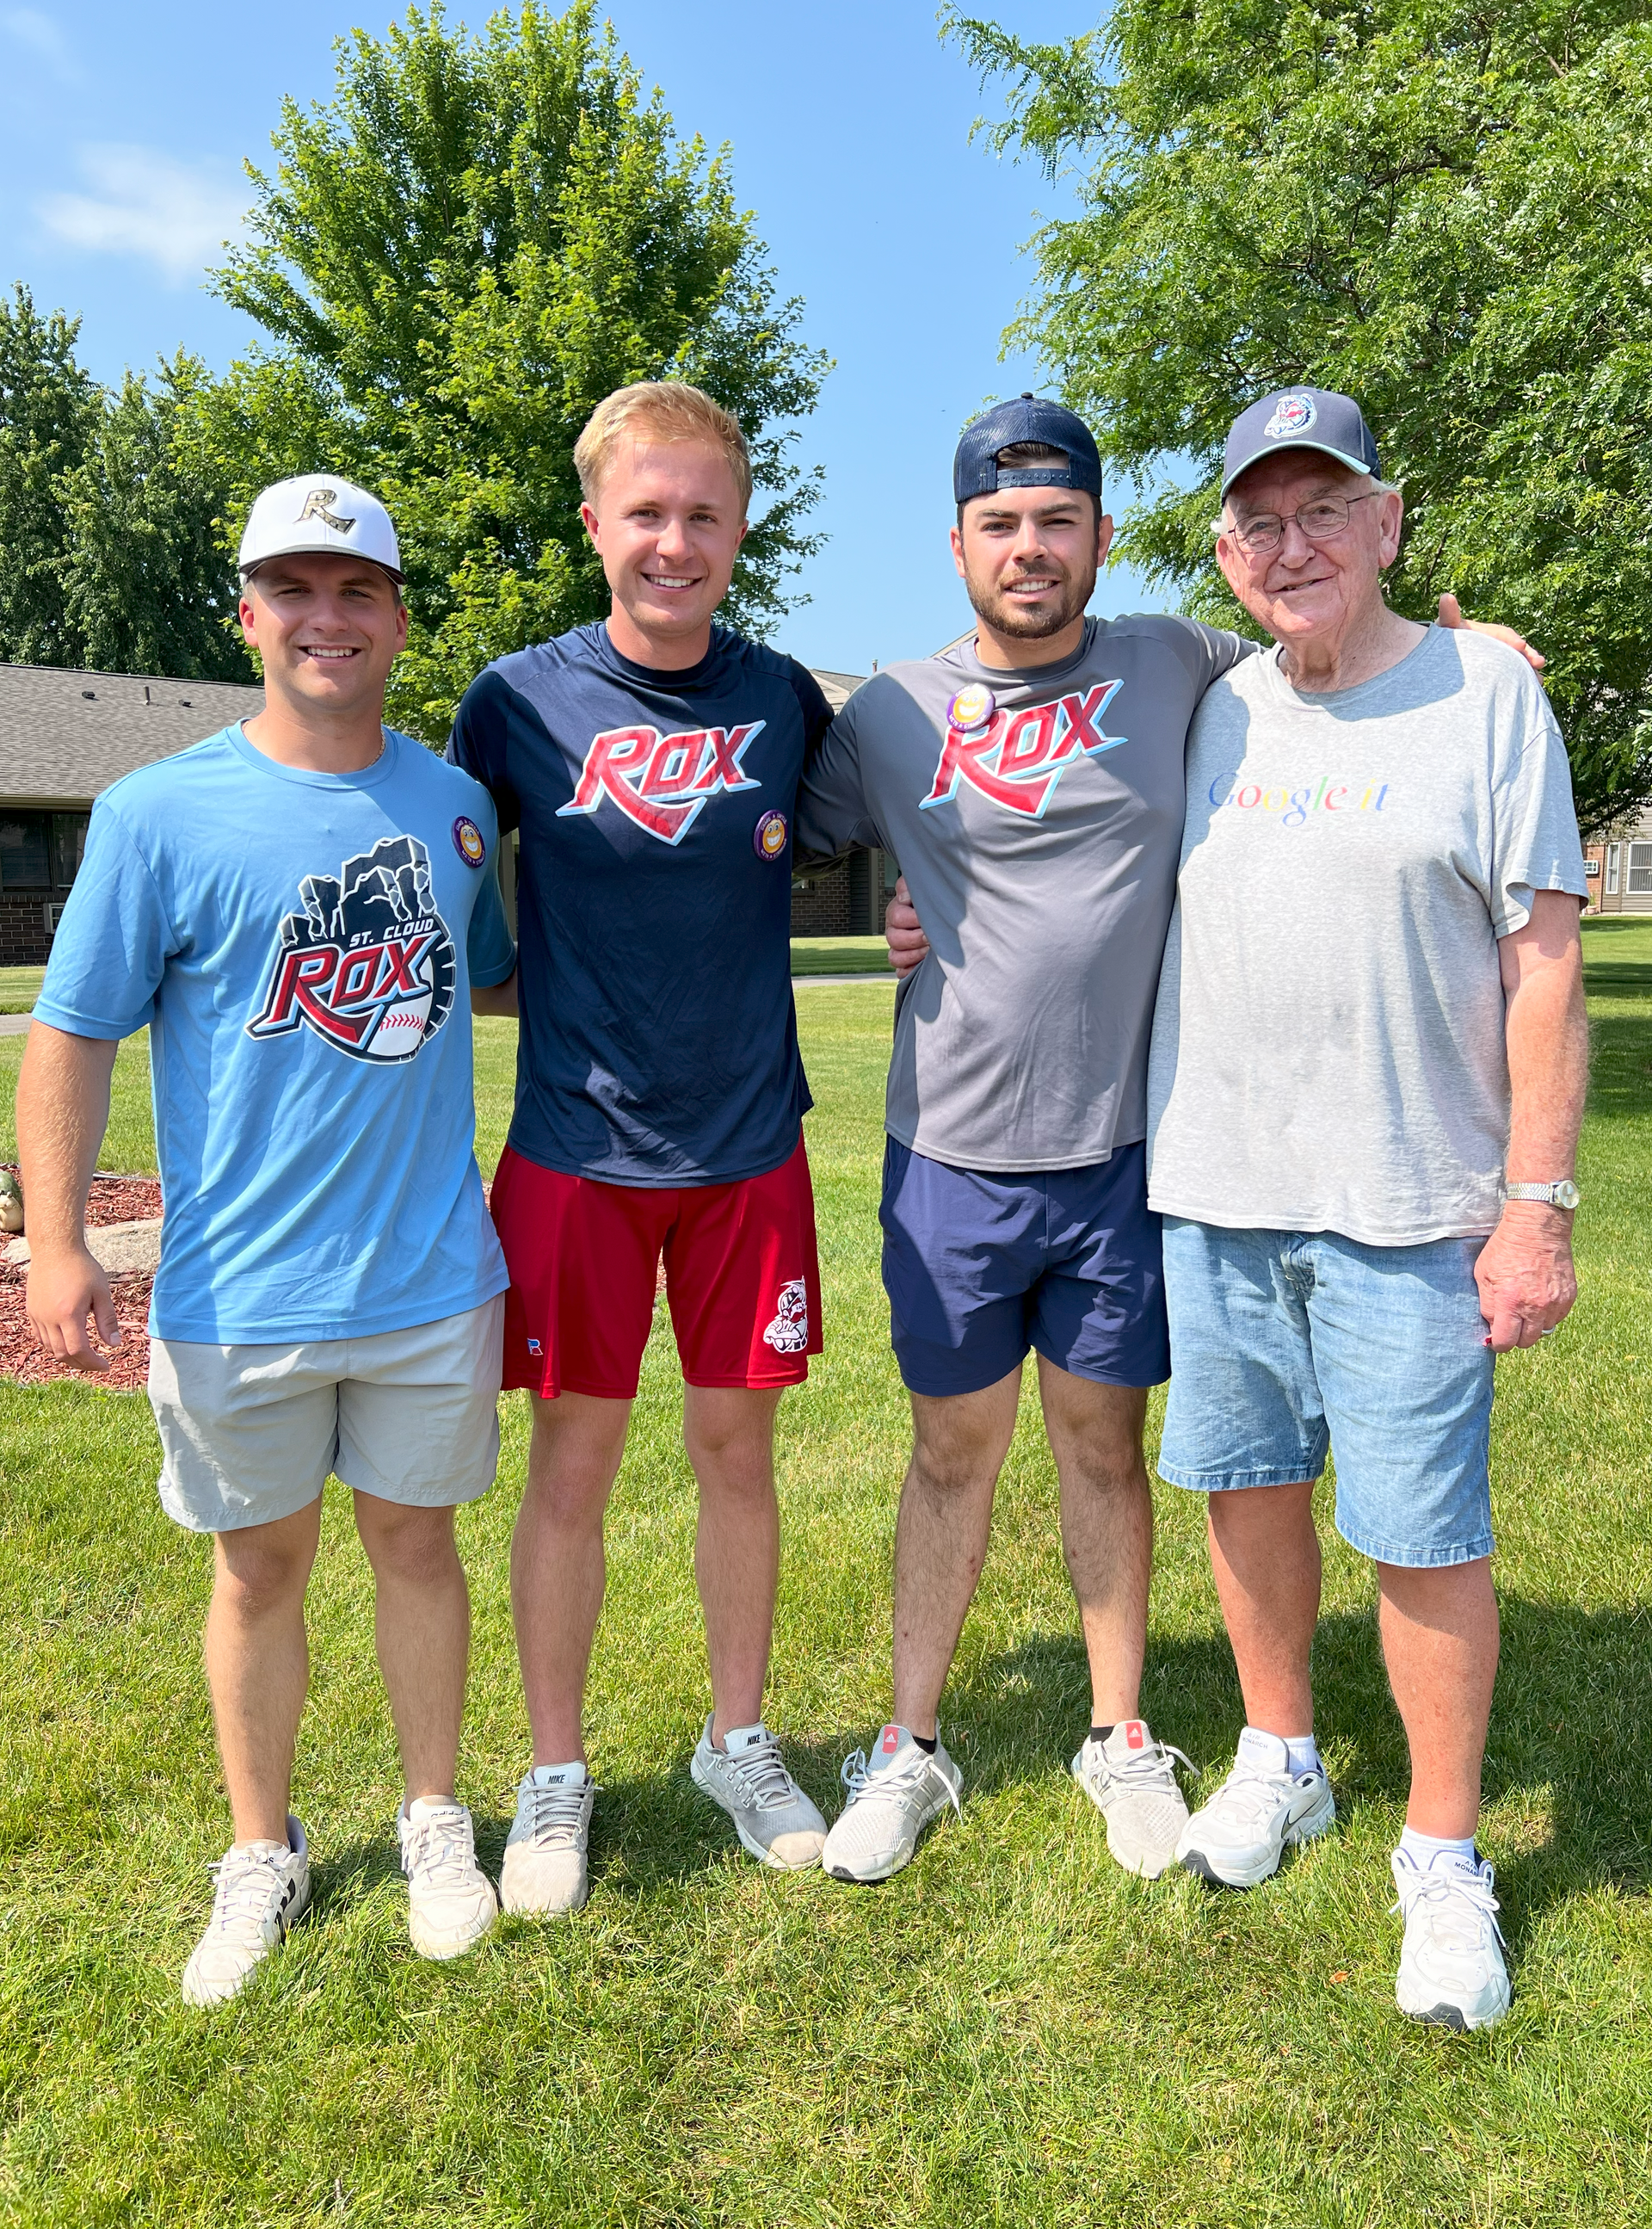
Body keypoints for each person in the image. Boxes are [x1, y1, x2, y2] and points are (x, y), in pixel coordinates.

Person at [826, 397, 1541, 1890]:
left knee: (1109, 1443)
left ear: (1102, 536)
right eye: (1002, 525)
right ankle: (908, 1742)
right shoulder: (884, 713)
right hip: (959, 1147)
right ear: (957, 543)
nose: (1032, 550)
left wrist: (1485, 658)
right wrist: (904, 917)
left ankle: (1121, 1728)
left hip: (1127, 1157)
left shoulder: (1178, 663)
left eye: (1059, 521)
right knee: (953, 1446)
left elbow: (1353, 658)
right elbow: (754, 848)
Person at [18, 476, 519, 2005]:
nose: (327, 616)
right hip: (240, 1289)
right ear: (247, 614)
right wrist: (57, 1241)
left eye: (356, 589)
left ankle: (436, 1815)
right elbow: (72, 1032)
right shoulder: (154, 811)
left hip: (430, 1271)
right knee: (259, 1568)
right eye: (293, 589)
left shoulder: (455, 806)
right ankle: (262, 1847)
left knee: (416, 1546)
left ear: (396, 618)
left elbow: (489, 981)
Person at [1145, 387, 1588, 2029]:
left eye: (1325, 506)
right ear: (1225, 553)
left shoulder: (1486, 692)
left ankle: (1445, 1850)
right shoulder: (1212, 707)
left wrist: (1535, 1201)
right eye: (1261, 518)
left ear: (1391, 521)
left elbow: (1544, 961)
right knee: (1247, 1486)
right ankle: (1283, 1755)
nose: (1295, 541)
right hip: (1219, 1184)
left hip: (1413, 1197)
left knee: (1421, 1531)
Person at [447, 381, 831, 1914]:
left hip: (746, 1148)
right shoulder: (515, 702)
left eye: (705, 514)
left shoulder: (787, 697)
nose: (675, 542)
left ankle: (737, 1738)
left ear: (740, 527)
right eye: (647, 512)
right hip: (575, 1153)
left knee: (739, 1452)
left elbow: (922, 813)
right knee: (573, 1462)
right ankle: (554, 1772)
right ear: (596, 522)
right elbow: (459, 897)